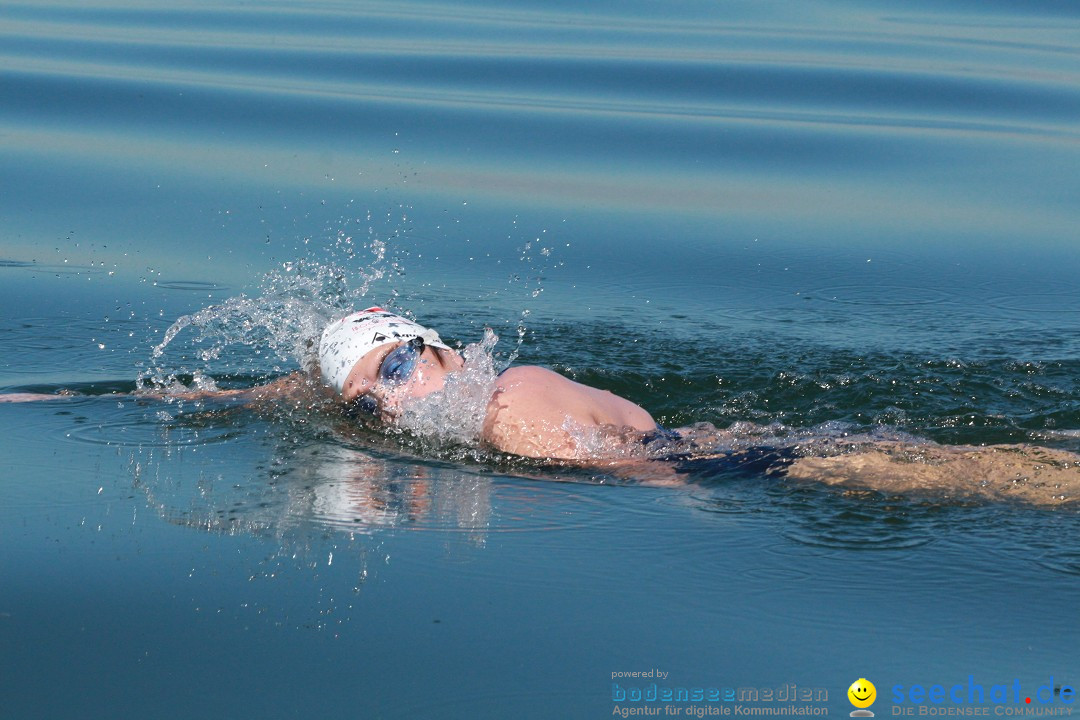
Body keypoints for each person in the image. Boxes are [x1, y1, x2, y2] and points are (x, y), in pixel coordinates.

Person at [318, 307, 658, 459]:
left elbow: (662, 477)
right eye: (367, 404)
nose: (388, 402)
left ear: (451, 356)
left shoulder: (511, 404)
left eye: (395, 368)